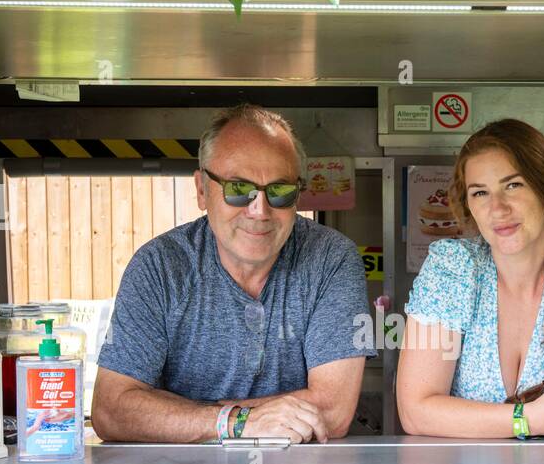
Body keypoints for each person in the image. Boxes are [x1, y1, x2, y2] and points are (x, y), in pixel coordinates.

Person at [92, 103, 372, 443]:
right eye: (238, 189)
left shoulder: (331, 258)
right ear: (201, 190)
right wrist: (237, 422)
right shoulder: (159, 266)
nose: (259, 210)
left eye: (280, 191)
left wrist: (179, 414)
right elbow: (111, 411)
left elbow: (332, 412)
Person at [396, 119, 544, 439]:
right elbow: (416, 412)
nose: (498, 208)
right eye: (480, 192)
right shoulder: (452, 268)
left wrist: (468, 419)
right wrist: (530, 419)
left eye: (513, 185)